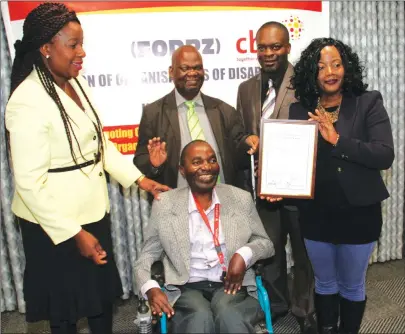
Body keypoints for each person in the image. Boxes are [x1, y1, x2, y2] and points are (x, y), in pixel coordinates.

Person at [5, 3, 169, 334]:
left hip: (92, 213)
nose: (82, 52)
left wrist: (141, 180)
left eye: (82, 43)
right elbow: (29, 184)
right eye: (73, 44)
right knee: (64, 311)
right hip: (53, 225)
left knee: (99, 300)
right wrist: (73, 234)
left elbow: (99, 146)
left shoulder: (76, 84)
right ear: (46, 48)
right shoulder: (27, 102)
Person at [289, 37, 395, 334]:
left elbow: (384, 154)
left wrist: (337, 140)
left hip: (358, 213)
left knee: (351, 284)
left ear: (346, 69)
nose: (330, 71)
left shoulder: (368, 102)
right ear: (312, 73)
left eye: (336, 64)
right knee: (324, 282)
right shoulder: (300, 110)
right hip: (316, 214)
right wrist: (279, 185)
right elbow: (293, 163)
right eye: (321, 66)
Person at [134, 140, 274, 333]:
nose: (206, 167)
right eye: (197, 162)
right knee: (199, 318)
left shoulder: (240, 198)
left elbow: (266, 244)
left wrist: (243, 254)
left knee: (228, 315)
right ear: (182, 170)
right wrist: (150, 288)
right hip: (187, 287)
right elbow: (145, 257)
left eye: (212, 160)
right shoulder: (165, 204)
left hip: (232, 285)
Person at [236, 21, 316, 332]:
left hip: (299, 191)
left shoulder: (307, 84)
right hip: (264, 191)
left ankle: (305, 309)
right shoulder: (245, 89)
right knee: (269, 253)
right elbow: (243, 131)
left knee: (303, 252)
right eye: (263, 47)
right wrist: (247, 141)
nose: (268, 53)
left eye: (275, 47)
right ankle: (278, 304)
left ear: (287, 48)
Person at [134, 45, 258, 190]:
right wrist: (154, 165)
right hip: (177, 204)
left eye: (197, 68)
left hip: (221, 202)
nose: (192, 73)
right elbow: (140, 160)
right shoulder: (153, 113)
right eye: (185, 68)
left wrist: (248, 143)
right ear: (171, 72)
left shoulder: (224, 110)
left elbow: (239, 154)